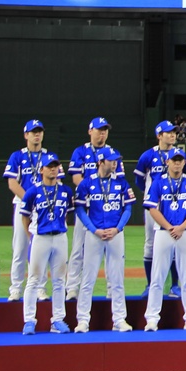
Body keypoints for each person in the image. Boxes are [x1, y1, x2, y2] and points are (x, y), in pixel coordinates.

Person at [74, 147, 135, 333]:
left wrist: (118, 228)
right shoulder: (87, 183)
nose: (115, 163)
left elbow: (128, 209)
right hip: (95, 234)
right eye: (111, 160)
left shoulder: (122, 183)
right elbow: (79, 210)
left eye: (116, 160)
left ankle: (119, 319)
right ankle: (83, 320)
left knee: (117, 278)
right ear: (101, 162)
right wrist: (93, 229)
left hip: (115, 234)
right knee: (88, 278)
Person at [142, 148, 186, 331]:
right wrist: (169, 227)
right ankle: (152, 318)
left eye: (180, 160)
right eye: (174, 160)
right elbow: (152, 209)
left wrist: (182, 227)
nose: (177, 163)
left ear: (185, 163)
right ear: (167, 162)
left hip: (185, 232)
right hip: (163, 232)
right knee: (157, 277)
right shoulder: (158, 182)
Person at [66, 117, 125, 301]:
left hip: (106, 207)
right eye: (99, 129)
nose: (103, 133)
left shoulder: (113, 153)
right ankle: (72, 288)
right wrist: (91, 189)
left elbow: (119, 180)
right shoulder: (80, 151)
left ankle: (111, 289)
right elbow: (76, 178)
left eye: (105, 130)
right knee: (78, 248)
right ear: (90, 131)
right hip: (87, 204)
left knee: (111, 250)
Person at [19, 154, 72, 335]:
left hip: (60, 237)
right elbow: (24, 216)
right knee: (34, 279)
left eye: (55, 166)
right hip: (40, 237)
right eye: (49, 166)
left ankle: (57, 319)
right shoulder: (33, 191)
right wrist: (30, 235)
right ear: (41, 169)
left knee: (59, 280)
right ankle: (29, 320)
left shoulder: (65, 191)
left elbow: (67, 213)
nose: (53, 169)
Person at [4, 119, 49, 302]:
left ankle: (40, 288)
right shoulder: (17, 156)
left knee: (41, 249)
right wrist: (30, 200)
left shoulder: (49, 156)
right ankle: (15, 288)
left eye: (39, 131)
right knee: (20, 248)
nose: (37, 134)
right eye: (33, 132)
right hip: (24, 207)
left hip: (43, 210)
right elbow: (12, 183)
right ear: (26, 135)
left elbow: (56, 181)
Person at [133, 120, 178, 294]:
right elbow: (139, 179)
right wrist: (150, 193)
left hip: (175, 205)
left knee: (175, 242)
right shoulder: (147, 156)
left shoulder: (179, 154)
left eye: (174, 132)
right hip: (154, 206)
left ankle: (175, 285)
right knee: (150, 243)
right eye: (168, 132)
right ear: (159, 135)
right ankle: (150, 284)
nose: (172, 134)